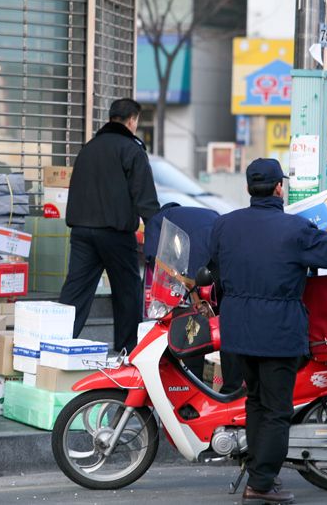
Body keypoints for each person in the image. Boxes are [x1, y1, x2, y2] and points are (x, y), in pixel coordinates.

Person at [209, 158, 327, 505]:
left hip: (236, 330)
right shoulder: (295, 228)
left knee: (255, 402)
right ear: (280, 187)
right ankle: (262, 483)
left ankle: (257, 471)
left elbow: (214, 267)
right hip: (277, 331)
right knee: (278, 409)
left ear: (249, 188)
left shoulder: (224, 226)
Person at [59, 98, 160, 352]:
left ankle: (55, 346)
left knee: (75, 294)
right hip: (115, 234)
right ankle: (127, 354)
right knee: (127, 295)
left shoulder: (89, 149)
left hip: (81, 232)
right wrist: (159, 235)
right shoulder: (132, 150)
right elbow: (145, 199)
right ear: (132, 120)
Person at [143, 202, 243, 394]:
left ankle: (191, 385)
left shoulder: (156, 223)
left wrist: (188, 294)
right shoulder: (202, 214)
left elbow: (155, 263)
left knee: (192, 321)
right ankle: (232, 387)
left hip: (203, 268)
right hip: (226, 262)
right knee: (225, 322)